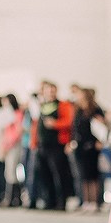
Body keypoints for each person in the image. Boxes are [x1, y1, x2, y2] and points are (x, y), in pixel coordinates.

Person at [36, 80, 74, 210]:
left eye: (53, 90)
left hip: (57, 145)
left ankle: (61, 202)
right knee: (44, 174)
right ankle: (49, 201)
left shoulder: (63, 105)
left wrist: (55, 124)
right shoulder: (42, 105)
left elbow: (69, 122)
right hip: (43, 145)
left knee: (59, 173)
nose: (51, 93)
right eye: (48, 90)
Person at [67, 86, 106, 212]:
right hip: (80, 147)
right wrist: (72, 142)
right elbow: (74, 129)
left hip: (92, 147)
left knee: (92, 175)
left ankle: (94, 202)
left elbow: (101, 128)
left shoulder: (95, 109)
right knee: (83, 175)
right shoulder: (78, 110)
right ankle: (86, 201)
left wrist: (100, 141)